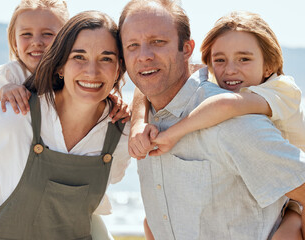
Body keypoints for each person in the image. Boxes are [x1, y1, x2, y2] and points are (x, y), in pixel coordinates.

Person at [119, 0, 305, 239]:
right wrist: (137, 122)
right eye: (132, 45)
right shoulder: (146, 117)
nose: (144, 56)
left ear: (186, 49)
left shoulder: (236, 122)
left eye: (158, 42)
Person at [0, 9, 130, 239]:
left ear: (119, 68)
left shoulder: (120, 131)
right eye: (79, 56)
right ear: (60, 64)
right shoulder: (13, 105)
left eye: (106, 58)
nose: (91, 72)